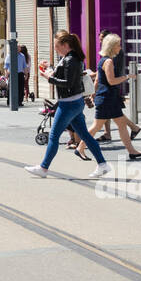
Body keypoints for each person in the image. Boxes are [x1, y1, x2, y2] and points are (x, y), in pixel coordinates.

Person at [25, 31, 111, 180]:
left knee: (53, 136)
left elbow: (68, 83)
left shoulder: (71, 60)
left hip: (68, 104)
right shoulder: (70, 58)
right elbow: (65, 76)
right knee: (84, 135)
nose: (56, 49)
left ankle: (44, 167)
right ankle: (103, 164)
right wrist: (50, 69)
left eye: (57, 46)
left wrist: (48, 78)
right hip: (74, 102)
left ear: (65, 45)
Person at [75, 34, 141, 162]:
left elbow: (98, 79)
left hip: (109, 98)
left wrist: (94, 92)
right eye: (118, 45)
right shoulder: (108, 61)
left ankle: (132, 151)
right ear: (112, 47)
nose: (120, 47)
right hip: (107, 99)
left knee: (121, 125)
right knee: (96, 126)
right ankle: (80, 148)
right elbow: (112, 81)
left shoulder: (102, 60)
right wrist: (128, 77)